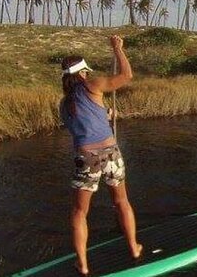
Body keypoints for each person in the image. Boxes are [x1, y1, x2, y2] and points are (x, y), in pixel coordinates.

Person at [59, 35, 141, 275]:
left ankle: (82, 265)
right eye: (86, 71)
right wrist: (117, 49)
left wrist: (103, 116)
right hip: (111, 153)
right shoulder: (92, 85)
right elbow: (127, 76)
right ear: (83, 72)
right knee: (121, 202)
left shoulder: (64, 104)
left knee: (79, 212)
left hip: (86, 158)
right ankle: (134, 248)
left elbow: (81, 128)